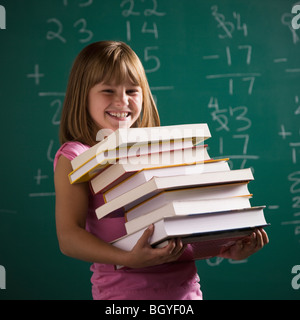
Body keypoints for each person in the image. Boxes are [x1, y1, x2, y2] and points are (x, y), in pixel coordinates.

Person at [53, 41, 269, 300]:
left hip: (186, 294)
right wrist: (129, 259)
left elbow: (184, 222)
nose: (122, 101)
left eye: (132, 91)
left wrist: (228, 247)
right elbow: (69, 237)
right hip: (123, 296)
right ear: (83, 95)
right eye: (108, 90)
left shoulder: (159, 149)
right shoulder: (75, 156)